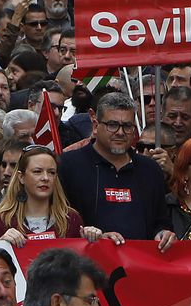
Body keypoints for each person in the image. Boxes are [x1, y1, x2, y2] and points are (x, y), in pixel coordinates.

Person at [56, 92, 172, 241]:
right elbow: (59, 220)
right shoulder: (68, 165)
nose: (120, 132)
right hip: (87, 254)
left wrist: (163, 233)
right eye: (112, 125)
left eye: (127, 126)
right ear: (96, 125)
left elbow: (161, 220)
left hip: (141, 255)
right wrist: (91, 236)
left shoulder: (150, 169)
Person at [0, 145, 117, 245]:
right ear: (21, 177)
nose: (45, 178)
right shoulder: (0, 221)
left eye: (51, 172)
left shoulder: (71, 219)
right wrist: (0, 245)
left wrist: (95, 239)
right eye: (37, 171)